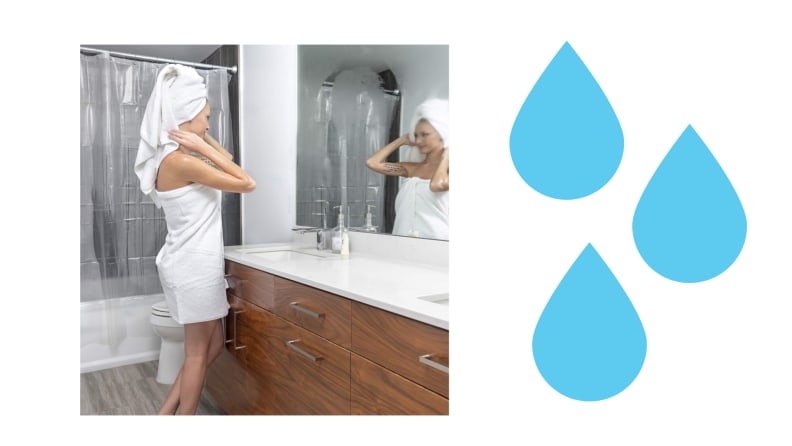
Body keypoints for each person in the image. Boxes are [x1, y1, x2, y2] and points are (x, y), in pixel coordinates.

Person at [134, 64, 256, 415]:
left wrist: (199, 139)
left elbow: (226, 160)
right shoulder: (180, 162)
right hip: (193, 268)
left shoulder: (175, 158)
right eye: (206, 118)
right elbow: (246, 182)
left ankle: (165, 415)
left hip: (187, 263)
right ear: (187, 117)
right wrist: (198, 142)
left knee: (211, 346)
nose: (209, 125)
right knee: (198, 353)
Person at [365, 98, 449, 240]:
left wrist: (446, 155)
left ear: (442, 134)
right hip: (403, 241)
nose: (418, 141)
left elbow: (436, 185)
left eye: (425, 135)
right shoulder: (411, 169)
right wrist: (402, 140)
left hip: (438, 244)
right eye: (415, 135)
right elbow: (372, 162)